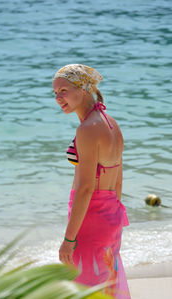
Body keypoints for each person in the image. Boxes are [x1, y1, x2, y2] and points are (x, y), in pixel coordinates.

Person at [53, 64, 131, 299]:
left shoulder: (87, 129)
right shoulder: (110, 123)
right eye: (55, 93)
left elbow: (86, 187)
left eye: (63, 90)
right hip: (109, 214)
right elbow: (118, 176)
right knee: (105, 285)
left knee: (85, 289)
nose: (58, 98)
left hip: (91, 216)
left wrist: (68, 239)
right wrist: (113, 215)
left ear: (83, 89)